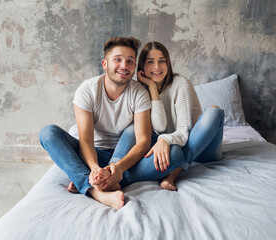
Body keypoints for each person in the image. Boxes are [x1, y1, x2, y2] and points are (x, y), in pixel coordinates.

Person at [39, 36, 154, 209]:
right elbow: (85, 140)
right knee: (48, 133)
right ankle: (95, 190)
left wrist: (119, 167)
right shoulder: (88, 90)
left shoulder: (139, 93)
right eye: (118, 60)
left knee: (174, 155)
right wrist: (94, 169)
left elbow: (143, 140)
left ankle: (94, 180)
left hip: (125, 158)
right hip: (93, 154)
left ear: (134, 67)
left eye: (130, 61)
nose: (124, 65)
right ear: (105, 64)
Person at [114, 41, 225, 191]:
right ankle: (110, 170)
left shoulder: (181, 84)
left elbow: (184, 132)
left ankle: (172, 174)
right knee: (132, 129)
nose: (157, 67)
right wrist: (153, 88)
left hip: (201, 148)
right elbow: (160, 128)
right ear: (142, 67)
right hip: (172, 150)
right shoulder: (141, 90)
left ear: (168, 64)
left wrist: (164, 139)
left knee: (214, 112)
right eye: (150, 62)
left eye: (162, 61)